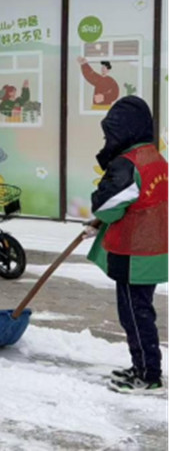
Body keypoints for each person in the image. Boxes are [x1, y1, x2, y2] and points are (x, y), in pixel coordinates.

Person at [86, 96, 167, 394]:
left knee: (135, 314)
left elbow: (108, 206)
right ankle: (142, 366)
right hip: (153, 249)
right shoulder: (155, 158)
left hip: (134, 252)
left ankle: (149, 376)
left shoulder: (128, 163)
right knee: (140, 311)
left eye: (111, 133)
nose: (108, 140)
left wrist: (98, 209)